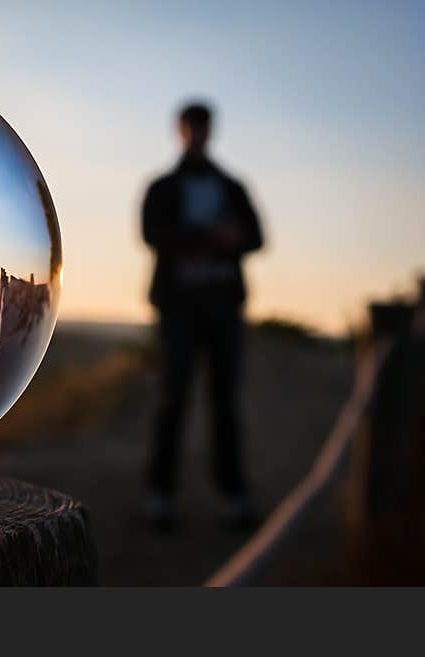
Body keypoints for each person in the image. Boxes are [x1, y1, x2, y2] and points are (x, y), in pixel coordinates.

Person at [141, 102, 264, 530]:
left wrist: (229, 239)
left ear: (210, 131)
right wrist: (209, 236)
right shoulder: (163, 187)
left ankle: (232, 495)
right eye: (191, 127)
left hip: (223, 308)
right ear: (181, 131)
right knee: (172, 399)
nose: (197, 134)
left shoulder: (232, 186)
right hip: (178, 309)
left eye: (202, 127)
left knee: (225, 402)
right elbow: (151, 233)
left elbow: (256, 237)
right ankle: (161, 495)